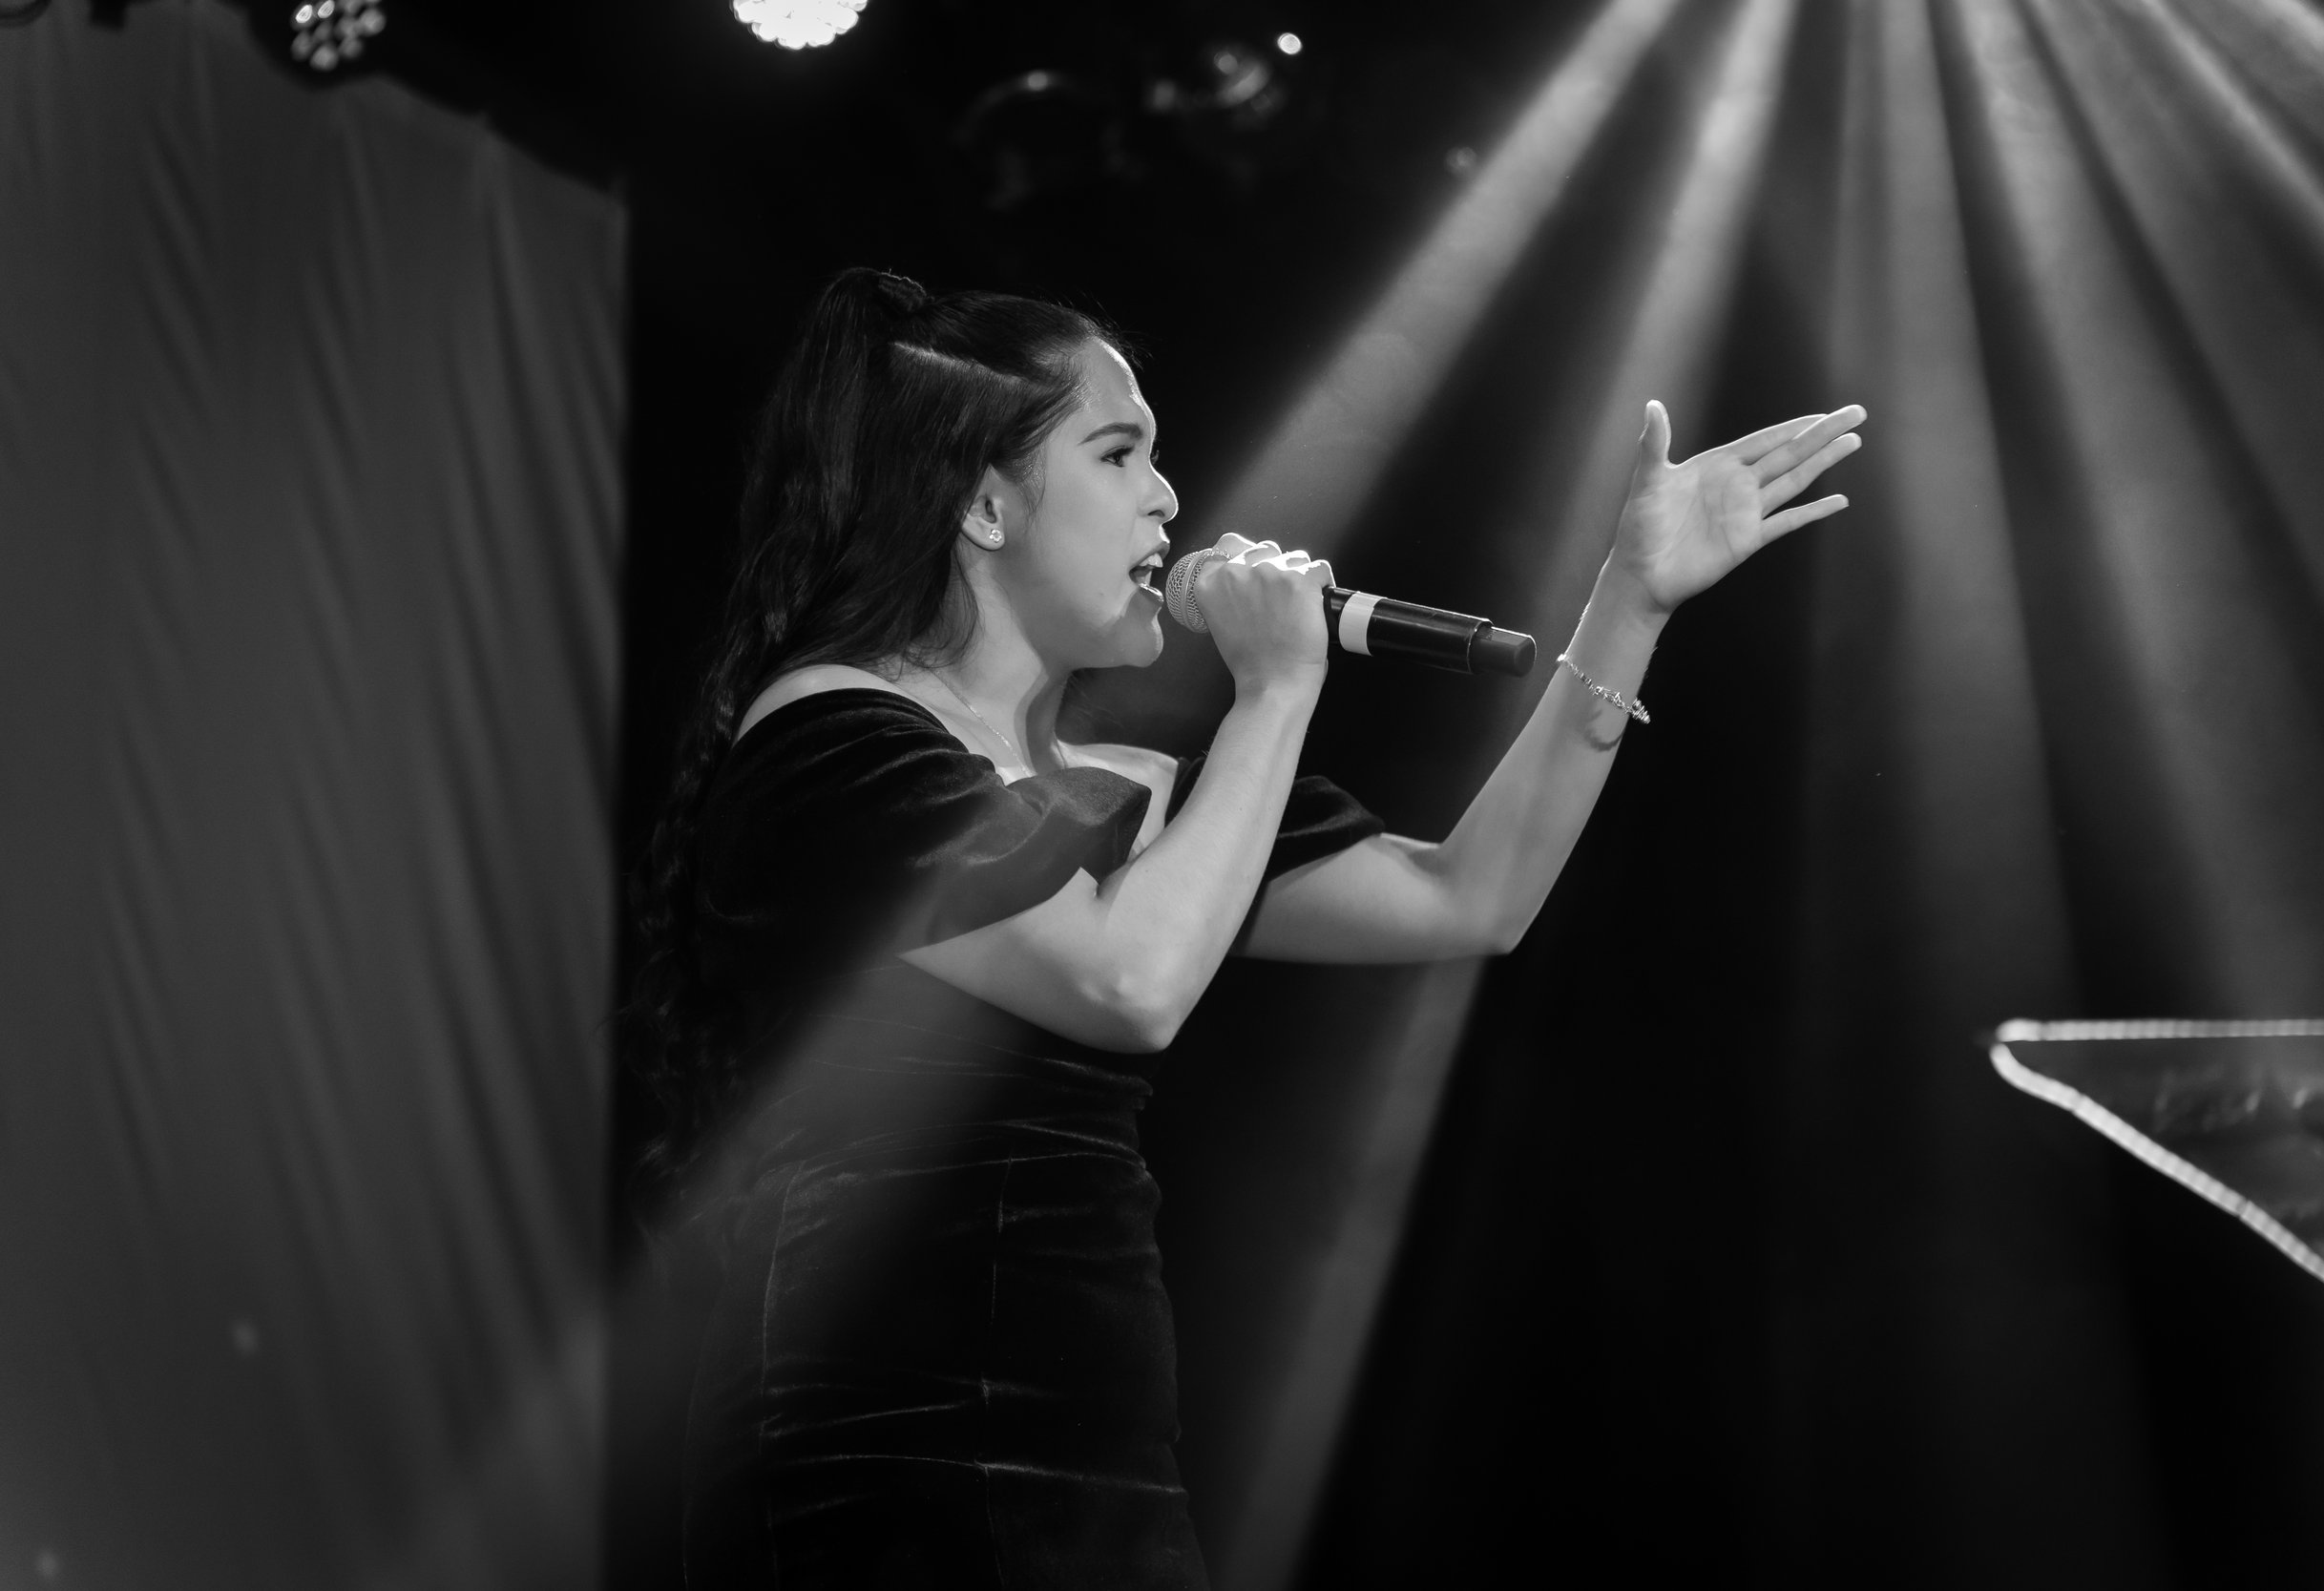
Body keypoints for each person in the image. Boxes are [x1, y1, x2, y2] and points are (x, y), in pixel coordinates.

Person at [624, 266, 1863, 1589]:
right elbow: (1130, 984)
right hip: (883, 1459)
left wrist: (1634, 597)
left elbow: (1469, 896)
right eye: (1119, 452)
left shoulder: (1122, 787)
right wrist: (1274, 693)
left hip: (1095, 1465)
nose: (1169, 497)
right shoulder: (834, 735)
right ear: (982, 503)